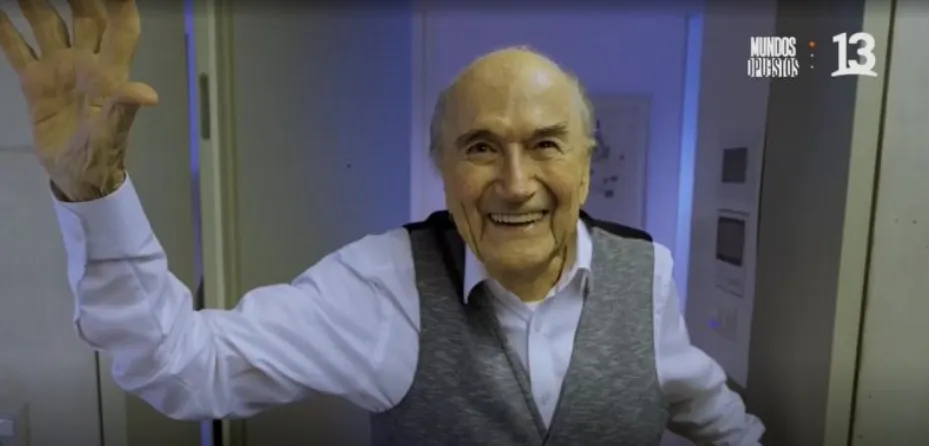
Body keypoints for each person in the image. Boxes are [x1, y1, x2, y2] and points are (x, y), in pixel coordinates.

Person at [0, 0, 764, 445]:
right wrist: (93, 191)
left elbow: (713, 413)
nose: (514, 182)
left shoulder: (647, 275)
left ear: (586, 166)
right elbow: (181, 366)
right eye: (479, 147)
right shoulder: (381, 285)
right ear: (442, 166)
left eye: (545, 145)